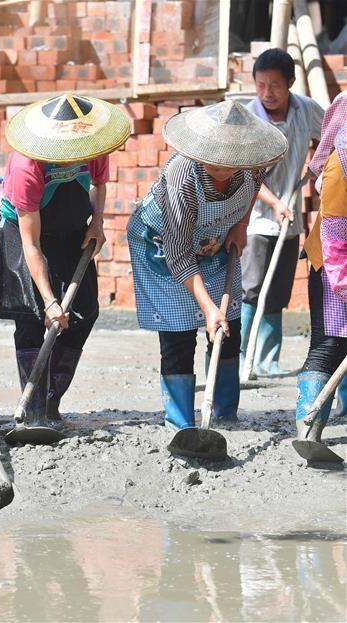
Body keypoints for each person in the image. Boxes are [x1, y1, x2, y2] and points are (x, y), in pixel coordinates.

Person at [127, 100, 287, 431]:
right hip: (162, 248)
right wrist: (207, 308)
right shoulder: (181, 175)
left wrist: (241, 225)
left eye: (231, 165)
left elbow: (254, 187)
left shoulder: (253, 164)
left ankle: (224, 412)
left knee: (229, 326)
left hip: (214, 240)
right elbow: (178, 254)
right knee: (180, 332)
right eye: (216, 165)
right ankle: (181, 423)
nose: (224, 172)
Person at [0, 94, 131, 426]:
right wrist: (49, 301)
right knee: (33, 319)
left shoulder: (93, 144)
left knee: (84, 312)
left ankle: (50, 401)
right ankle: (34, 413)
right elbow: (31, 245)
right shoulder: (26, 166)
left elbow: (100, 183)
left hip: (72, 231)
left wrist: (98, 222)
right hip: (24, 234)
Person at [241, 49, 324, 376]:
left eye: (274, 85)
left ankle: (267, 361)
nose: (267, 93)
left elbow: (332, 137)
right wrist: (275, 204)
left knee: (277, 293)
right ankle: (241, 358)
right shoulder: (249, 117)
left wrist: (317, 168)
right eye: (261, 85)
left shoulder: (306, 110)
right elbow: (245, 174)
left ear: (290, 82)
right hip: (256, 218)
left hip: (289, 220)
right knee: (251, 289)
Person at [298, 127, 347, 444]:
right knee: (330, 345)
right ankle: (308, 430)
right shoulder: (342, 163)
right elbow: (334, 235)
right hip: (335, 264)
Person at [307, 91, 347, 417]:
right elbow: (335, 245)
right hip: (334, 266)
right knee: (330, 345)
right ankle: (309, 423)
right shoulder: (339, 170)